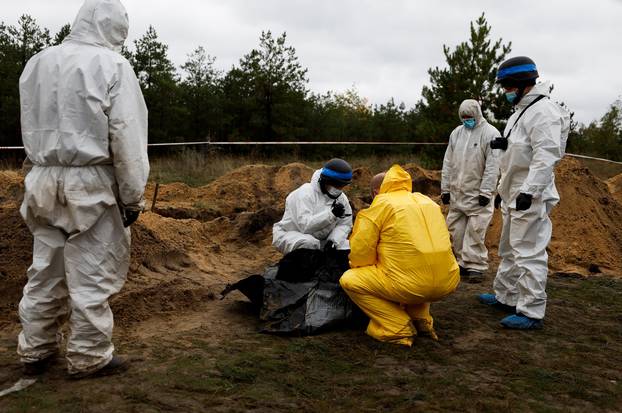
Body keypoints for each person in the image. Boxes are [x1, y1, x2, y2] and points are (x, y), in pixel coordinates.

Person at [18, 0, 149, 378]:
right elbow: (126, 139)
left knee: (46, 270)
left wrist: (34, 172)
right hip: (91, 181)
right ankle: (89, 357)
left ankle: (36, 350)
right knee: (93, 272)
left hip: (42, 177)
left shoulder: (37, 63)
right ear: (115, 27)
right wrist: (132, 197)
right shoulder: (113, 66)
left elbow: (29, 123)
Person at [479, 56, 570, 329]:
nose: (504, 91)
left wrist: (529, 191)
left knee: (528, 251)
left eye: (507, 85)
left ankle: (531, 311)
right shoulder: (522, 111)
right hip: (512, 191)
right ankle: (507, 295)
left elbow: (546, 156)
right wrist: (503, 147)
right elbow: (521, 151)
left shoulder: (544, 112)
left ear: (520, 84)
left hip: (529, 193)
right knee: (508, 248)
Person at [340, 165, 460, 347]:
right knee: (420, 266)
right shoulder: (427, 202)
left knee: (350, 279)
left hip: (409, 284)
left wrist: (363, 266)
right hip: (448, 280)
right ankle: (422, 320)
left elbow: (361, 253)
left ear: (375, 192)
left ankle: (397, 327)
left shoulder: (382, 204)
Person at [441, 99, 500, 283]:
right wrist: (445, 188)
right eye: (464, 117)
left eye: (469, 117)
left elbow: (493, 165)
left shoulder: (490, 133)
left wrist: (486, 192)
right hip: (458, 193)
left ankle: (476, 266)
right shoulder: (456, 133)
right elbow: (448, 162)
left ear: (477, 114)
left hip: (478, 194)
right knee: (455, 230)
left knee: (475, 231)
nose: (467, 120)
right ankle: (461, 262)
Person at [272, 158, 353, 255]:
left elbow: (345, 224)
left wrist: (333, 241)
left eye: (341, 186)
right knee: (309, 244)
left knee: (350, 247)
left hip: (322, 240)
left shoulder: (342, 198)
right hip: (292, 234)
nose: (338, 189)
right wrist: (331, 214)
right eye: (336, 185)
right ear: (325, 180)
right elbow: (305, 226)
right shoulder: (305, 193)